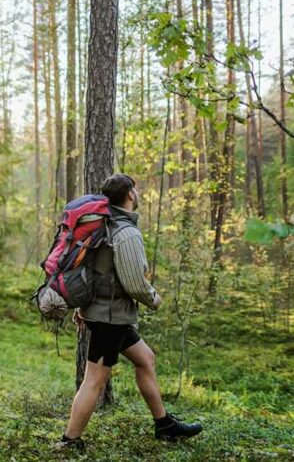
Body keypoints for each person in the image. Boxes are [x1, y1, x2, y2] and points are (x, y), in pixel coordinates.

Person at [59, 174, 203, 448]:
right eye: (135, 190)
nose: (137, 194)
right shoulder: (125, 232)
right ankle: (70, 440)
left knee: (145, 358)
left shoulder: (105, 225)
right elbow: (134, 282)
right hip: (109, 318)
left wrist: (82, 306)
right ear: (130, 195)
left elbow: (94, 271)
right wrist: (154, 299)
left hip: (110, 314)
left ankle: (165, 425)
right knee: (94, 381)